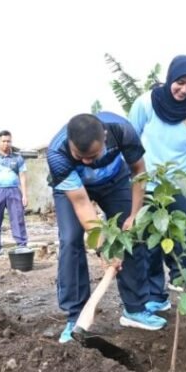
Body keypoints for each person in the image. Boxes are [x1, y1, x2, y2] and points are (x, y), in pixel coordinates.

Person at [47, 112, 166, 343]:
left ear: (104, 137)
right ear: (70, 144)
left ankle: (135, 309)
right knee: (71, 239)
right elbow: (81, 203)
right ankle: (75, 316)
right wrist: (103, 249)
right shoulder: (57, 153)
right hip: (73, 188)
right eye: (79, 156)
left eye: (92, 155)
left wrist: (134, 214)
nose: (86, 162)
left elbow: (139, 171)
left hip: (114, 180)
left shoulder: (122, 130)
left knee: (132, 233)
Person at [129, 55, 186, 320]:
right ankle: (155, 297)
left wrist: (179, 170)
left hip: (184, 184)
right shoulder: (145, 103)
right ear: (170, 78)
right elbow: (131, 139)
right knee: (149, 241)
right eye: (180, 82)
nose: (184, 90)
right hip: (150, 184)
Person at [0, 130, 28, 256]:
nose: (6, 144)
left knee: (18, 219)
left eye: (8, 141)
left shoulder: (17, 158)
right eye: (3, 141)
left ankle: (21, 245)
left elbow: (23, 176)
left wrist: (24, 195)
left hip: (14, 191)